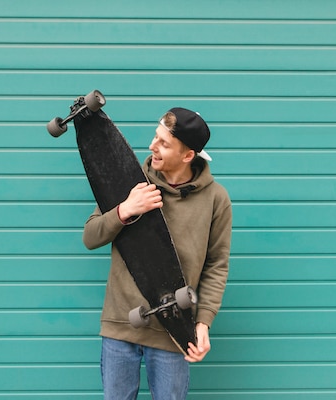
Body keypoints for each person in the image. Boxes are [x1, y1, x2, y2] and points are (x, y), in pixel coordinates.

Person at [82, 107, 232, 399]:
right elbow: (90, 236)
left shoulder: (216, 199)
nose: (152, 146)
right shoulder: (131, 182)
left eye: (164, 143)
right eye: (155, 136)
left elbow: (216, 265)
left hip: (172, 330)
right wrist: (126, 210)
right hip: (120, 327)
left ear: (188, 155)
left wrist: (203, 322)